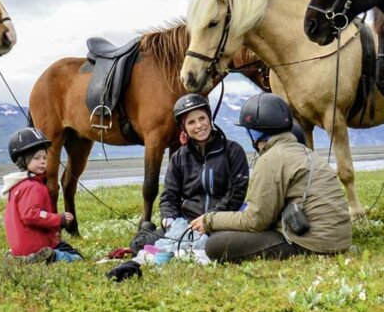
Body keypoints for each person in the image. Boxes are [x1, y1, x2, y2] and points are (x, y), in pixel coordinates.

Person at [190, 93, 352, 262]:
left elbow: (255, 221)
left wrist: (210, 220)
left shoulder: (271, 159)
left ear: (254, 132)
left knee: (216, 244)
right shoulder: (305, 152)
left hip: (311, 243)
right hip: (337, 240)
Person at [129, 93, 249, 254]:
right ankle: (148, 229)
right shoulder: (179, 157)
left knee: (218, 247)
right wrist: (170, 219)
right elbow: (168, 197)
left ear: (209, 119)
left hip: (222, 222)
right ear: (183, 128)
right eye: (191, 122)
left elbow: (236, 195)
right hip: (188, 224)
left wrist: (208, 220)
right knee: (138, 244)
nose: (199, 125)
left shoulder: (233, 151)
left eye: (202, 118)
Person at [3, 127, 83, 263]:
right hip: (36, 245)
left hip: (20, 246)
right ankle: (50, 256)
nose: (43, 161)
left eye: (45, 157)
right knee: (77, 258)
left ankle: (20, 256)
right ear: (23, 161)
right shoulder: (33, 187)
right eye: (36, 158)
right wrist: (58, 219)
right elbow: (31, 215)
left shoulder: (17, 185)